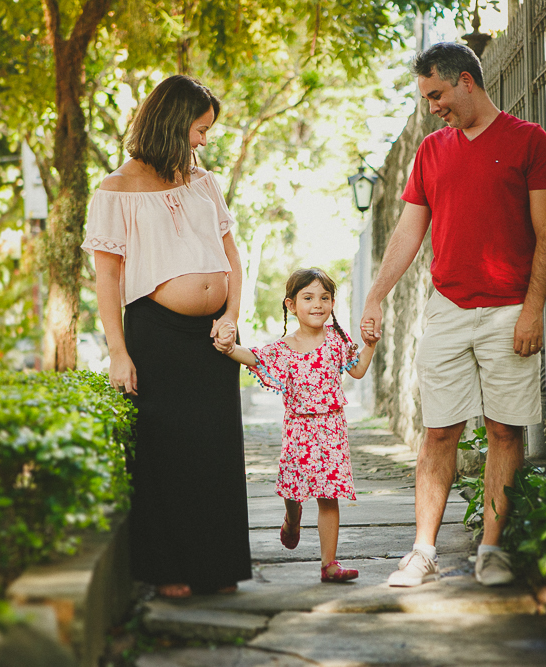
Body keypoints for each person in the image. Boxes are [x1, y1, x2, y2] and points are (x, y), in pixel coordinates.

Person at [360, 42, 546, 588]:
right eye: (426, 98)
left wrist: (533, 311)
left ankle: (491, 552)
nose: (433, 106)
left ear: (467, 82)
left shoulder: (531, 142)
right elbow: (408, 231)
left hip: (509, 311)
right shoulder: (431, 150)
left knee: (503, 430)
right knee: (438, 432)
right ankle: (422, 552)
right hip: (446, 309)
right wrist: (376, 294)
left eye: (437, 94)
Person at [81, 74, 251, 598]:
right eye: (199, 130)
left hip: (214, 334)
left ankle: (218, 566)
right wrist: (117, 351)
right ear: (174, 124)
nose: (204, 140)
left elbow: (232, 258)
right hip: (156, 331)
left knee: (216, 448)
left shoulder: (204, 182)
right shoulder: (115, 189)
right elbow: (106, 276)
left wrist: (231, 316)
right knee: (167, 451)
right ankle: (170, 570)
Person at [214, 268, 377, 582]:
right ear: (291, 305)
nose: (317, 304)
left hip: (332, 429)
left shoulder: (337, 340)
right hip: (298, 430)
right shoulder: (284, 348)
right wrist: (230, 348)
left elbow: (356, 370)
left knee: (329, 494)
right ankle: (292, 518)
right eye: (308, 297)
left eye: (324, 298)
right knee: (294, 489)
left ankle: (329, 564)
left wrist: (369, 343)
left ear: (331, 303)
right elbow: (256, 358)